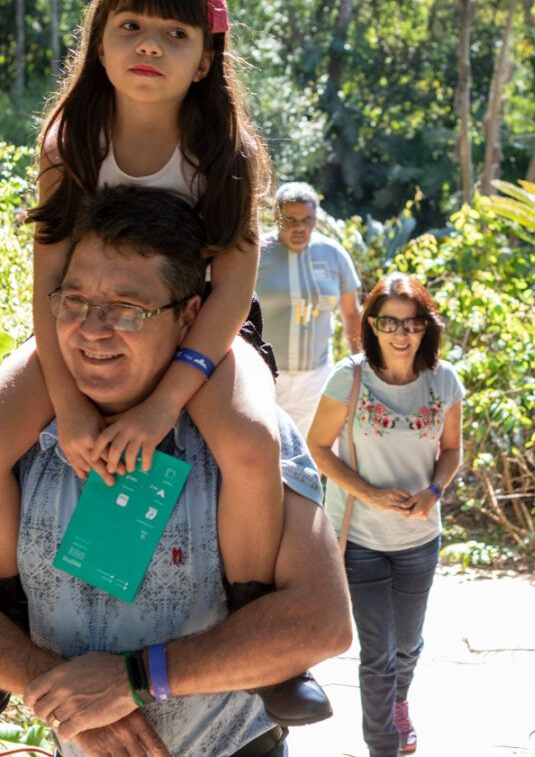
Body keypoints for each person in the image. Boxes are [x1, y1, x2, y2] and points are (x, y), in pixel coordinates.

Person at [0, 0, 325, 723]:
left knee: (250, 441)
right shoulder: (69, 143)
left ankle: (257, 615)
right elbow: (48, 279)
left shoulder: (223, 153)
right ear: (98, 43)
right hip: (80, 320)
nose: (149, 45)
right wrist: (68, 407)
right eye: (131, 26)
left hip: (202, 329)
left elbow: (234, 285)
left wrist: (166, 400)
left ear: (205, 59)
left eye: (175, 34)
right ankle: (10, 608)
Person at [0, 185, 352, 757]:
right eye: (75, 300)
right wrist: (57, 692)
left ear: (190, 316)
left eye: (128, 308)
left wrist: (135, 679)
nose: (92, 328)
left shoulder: (243, 438)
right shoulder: (24, 441)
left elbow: (321, 621)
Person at [307, 273, 464, 757]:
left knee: (407, 646)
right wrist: (369, 494)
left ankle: (399, 703)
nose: (401, 333)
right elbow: (318, 447)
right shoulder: (349, 378)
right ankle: (383, 746)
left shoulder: (443, 380)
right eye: (389, 322)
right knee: (378, 655)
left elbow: (452, 450)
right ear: (371, 325)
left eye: (412, 322)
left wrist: (434, 491)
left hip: (419, 538)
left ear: (426, 326)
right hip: (360, 539)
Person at [257, 181, 362, 437]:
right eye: (291, 220)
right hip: (264, 376)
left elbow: (351, 314)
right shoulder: (256, 253)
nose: (300, 228)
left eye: (307, 220)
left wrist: (360, 368)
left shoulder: (333, 254)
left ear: (316, 218)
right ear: (276, 216)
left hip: (317, 379)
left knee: (312, 452)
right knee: (265, 449)